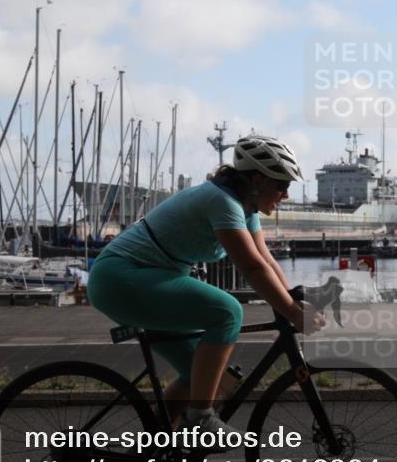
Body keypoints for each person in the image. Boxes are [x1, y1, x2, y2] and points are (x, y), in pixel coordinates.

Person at [87, 135, 325, 444]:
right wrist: (291, 312)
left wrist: (292, 299)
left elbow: (265, 260)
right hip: (121, 278)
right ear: (256, 179)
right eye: (281, 185)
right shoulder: (222, 202)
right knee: (228, 312)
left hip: (143, 279)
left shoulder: (245, 209)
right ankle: (201, 419)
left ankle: (155, 453)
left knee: (198, 375)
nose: (286, 195)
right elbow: (250, 268)